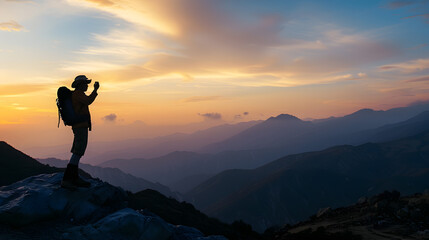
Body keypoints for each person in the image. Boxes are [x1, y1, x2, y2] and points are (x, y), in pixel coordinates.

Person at [61, 75, 99, 189]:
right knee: (78, 151)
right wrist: (95, 90)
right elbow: (88, 101)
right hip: (80, 126)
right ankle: (68, 180)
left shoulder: (77, 94)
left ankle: (74, 178)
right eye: (85, 83)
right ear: (80, 84)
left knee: (78, 151)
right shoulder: (78, 94)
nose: (87, 85)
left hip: (79, 126)